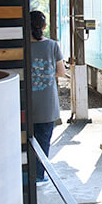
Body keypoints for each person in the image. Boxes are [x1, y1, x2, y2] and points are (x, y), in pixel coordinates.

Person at [29, 10, 65, 185]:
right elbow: (61, 72)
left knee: (26, 140)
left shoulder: (21, 47)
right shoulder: (52, 45)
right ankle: (39, 175)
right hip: (47, 104)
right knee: (43, 140)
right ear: (44, 27)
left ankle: (27, 174)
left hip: (26, 105)